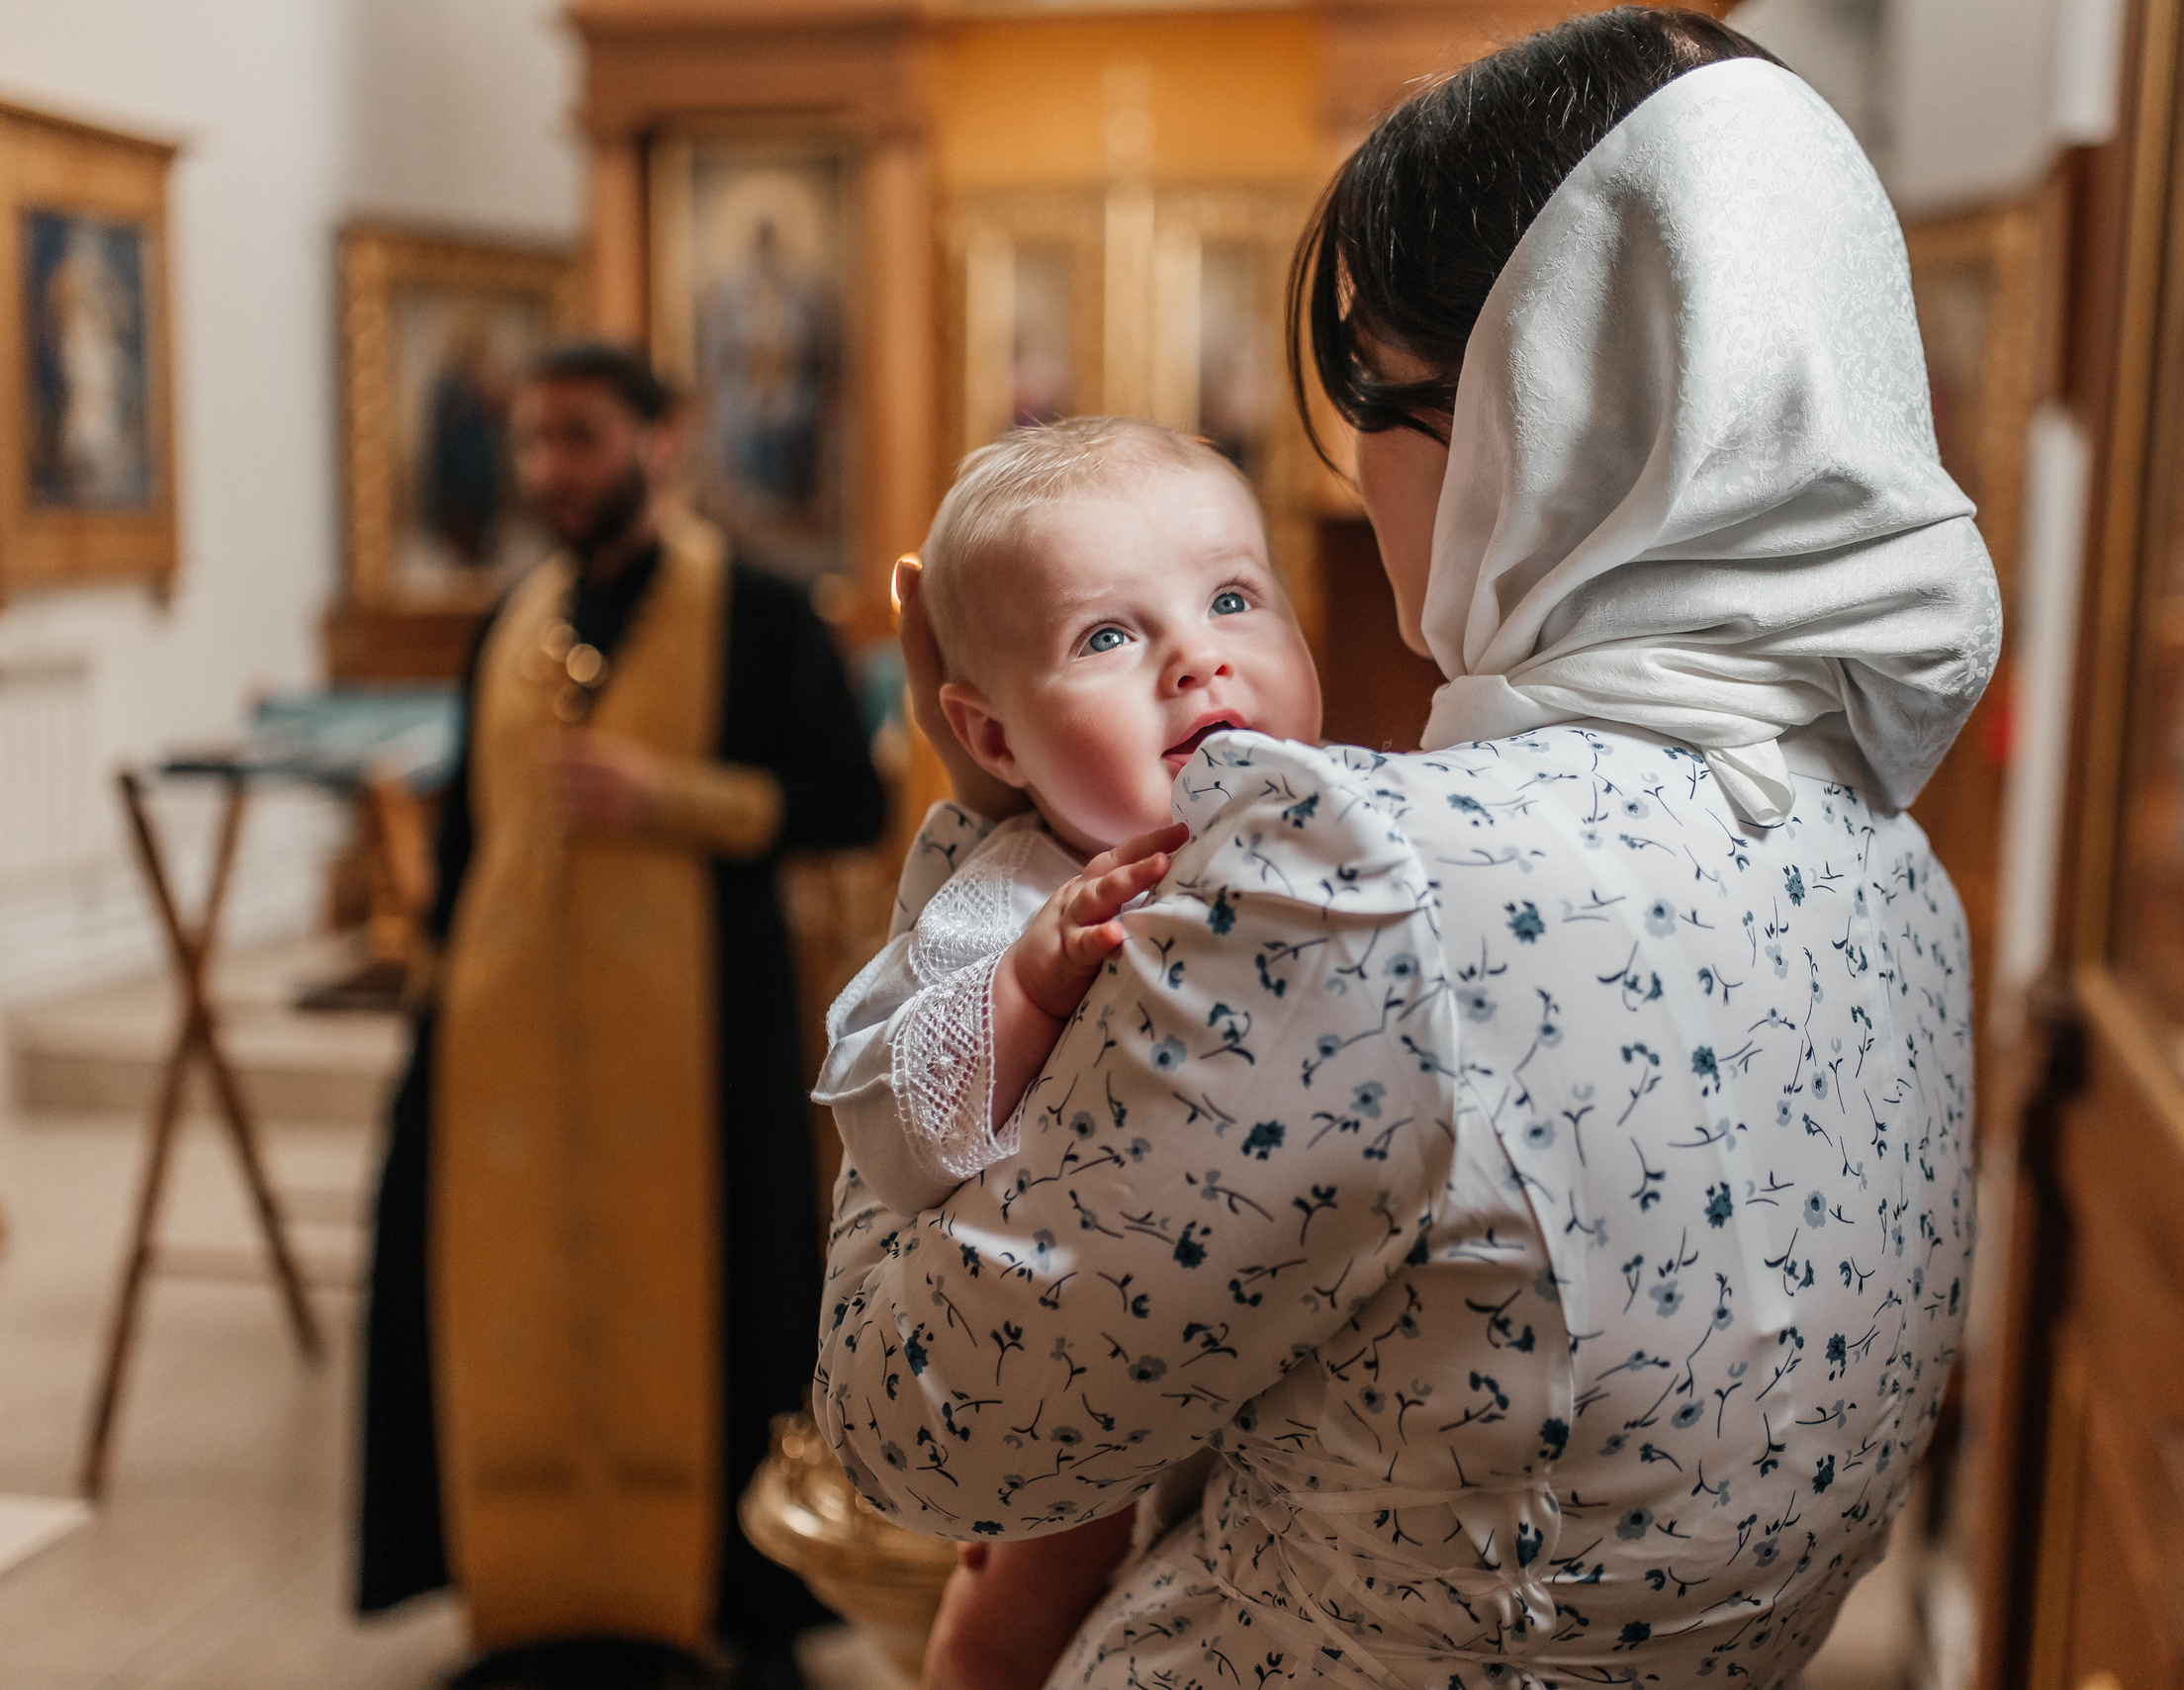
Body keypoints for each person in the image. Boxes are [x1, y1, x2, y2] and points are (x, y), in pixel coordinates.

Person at [817, 9, 1997, 1686]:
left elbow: (920, 1424)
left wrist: (981, 844)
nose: (1358, 470)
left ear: (1534, 394)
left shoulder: (1363, 877)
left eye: (1370, 391)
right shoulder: (1895, 872)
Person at [359, 342, 886, 1690]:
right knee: (501, 1298)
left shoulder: (762, 614)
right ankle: (524, 1594)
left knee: (728, 1287)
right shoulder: (510, 616)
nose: (550, 470)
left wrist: (674, 798)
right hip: (503, 1048)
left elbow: (850, 801)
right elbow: (475, 840)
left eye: (581, 438)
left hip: (701, 1036)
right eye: (533, 442)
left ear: (665, 440)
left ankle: (735, 1606)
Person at [813, 416, 1324, 1687]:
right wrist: (1031, 980)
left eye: (1231, 597)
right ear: (991, 741)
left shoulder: (1352, 825)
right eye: (1108, 634)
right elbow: (895, 1111)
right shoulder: (1017, 891)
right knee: (1019, 1604)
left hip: (1286, 1347)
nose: (1197, 657)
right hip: (1073, 1346)